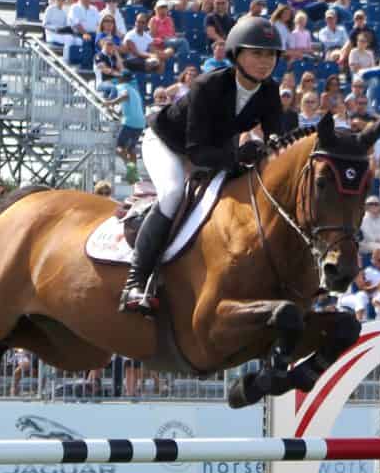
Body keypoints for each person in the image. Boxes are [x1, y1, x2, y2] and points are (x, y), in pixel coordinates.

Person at [119, 16, 284, 311]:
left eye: (271, 54)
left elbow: (277, 141)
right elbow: (196, 153)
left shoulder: (270, 92)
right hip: (169, 143)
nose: (266, 61)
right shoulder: (208, 85)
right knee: (172, 195)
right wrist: (237, 157)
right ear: (237, 54)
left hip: (215, 149)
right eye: (257, 53)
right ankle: (135, 282)